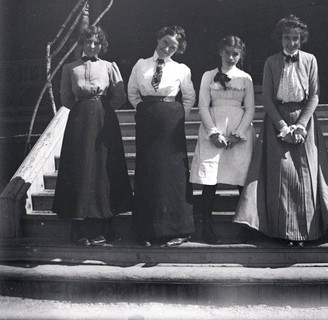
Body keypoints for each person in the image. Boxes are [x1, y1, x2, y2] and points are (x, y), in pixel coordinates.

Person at [233, 15, 328, 247]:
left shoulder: (310, 60)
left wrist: (302, 124)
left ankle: (307, 234)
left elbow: (315, 95)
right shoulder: (271, 62)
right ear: (280, 39)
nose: (291, 43)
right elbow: (266, 97)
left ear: (301, 39)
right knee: (282, 176)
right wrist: (283, 127)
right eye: (287, 38)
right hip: (278, 122)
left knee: (305, 176)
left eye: (295, 38)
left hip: (305, 122)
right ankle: (282, 232)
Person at [53, 25, 133, 247]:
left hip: (104, 119)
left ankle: (107, 225)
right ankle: (77, 227)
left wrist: (102, 108)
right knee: (80, 169)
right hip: (79, 122)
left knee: (104, 168)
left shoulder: (109, 67)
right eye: (88, 42)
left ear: (102, 45)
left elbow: (119, 96)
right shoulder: (70, 68)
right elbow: (67, 99)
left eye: (97, 42)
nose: (92, 46)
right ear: (82, 44)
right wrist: (84, 109)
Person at [127, 25, 196, 247]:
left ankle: (179, 229)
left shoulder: (182, 69)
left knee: (172, 173)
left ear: (179, 49)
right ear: (158, 40)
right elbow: (132, 92)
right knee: (148, 170)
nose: (167, 48)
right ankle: (146, 230)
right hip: (147, 119)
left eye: (173, 46)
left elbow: (189, 96)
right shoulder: (141, 64)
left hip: (171, 121)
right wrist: (145, 111)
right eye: (165, 42)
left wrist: (175, 116)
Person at [190, 36, 256, 244]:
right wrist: (213, 132)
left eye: (235, 53)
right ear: (220, 52)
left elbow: (251, 108)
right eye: (227, 52)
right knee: (211, 180)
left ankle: (245, 227)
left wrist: (238, 133)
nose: (231, 57)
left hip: (238, 131)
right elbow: (202, 105)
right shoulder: (208, 76)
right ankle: (206, 227)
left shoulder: (246, 78)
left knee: (241, 179)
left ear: (241, 55)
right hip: (214, 128)